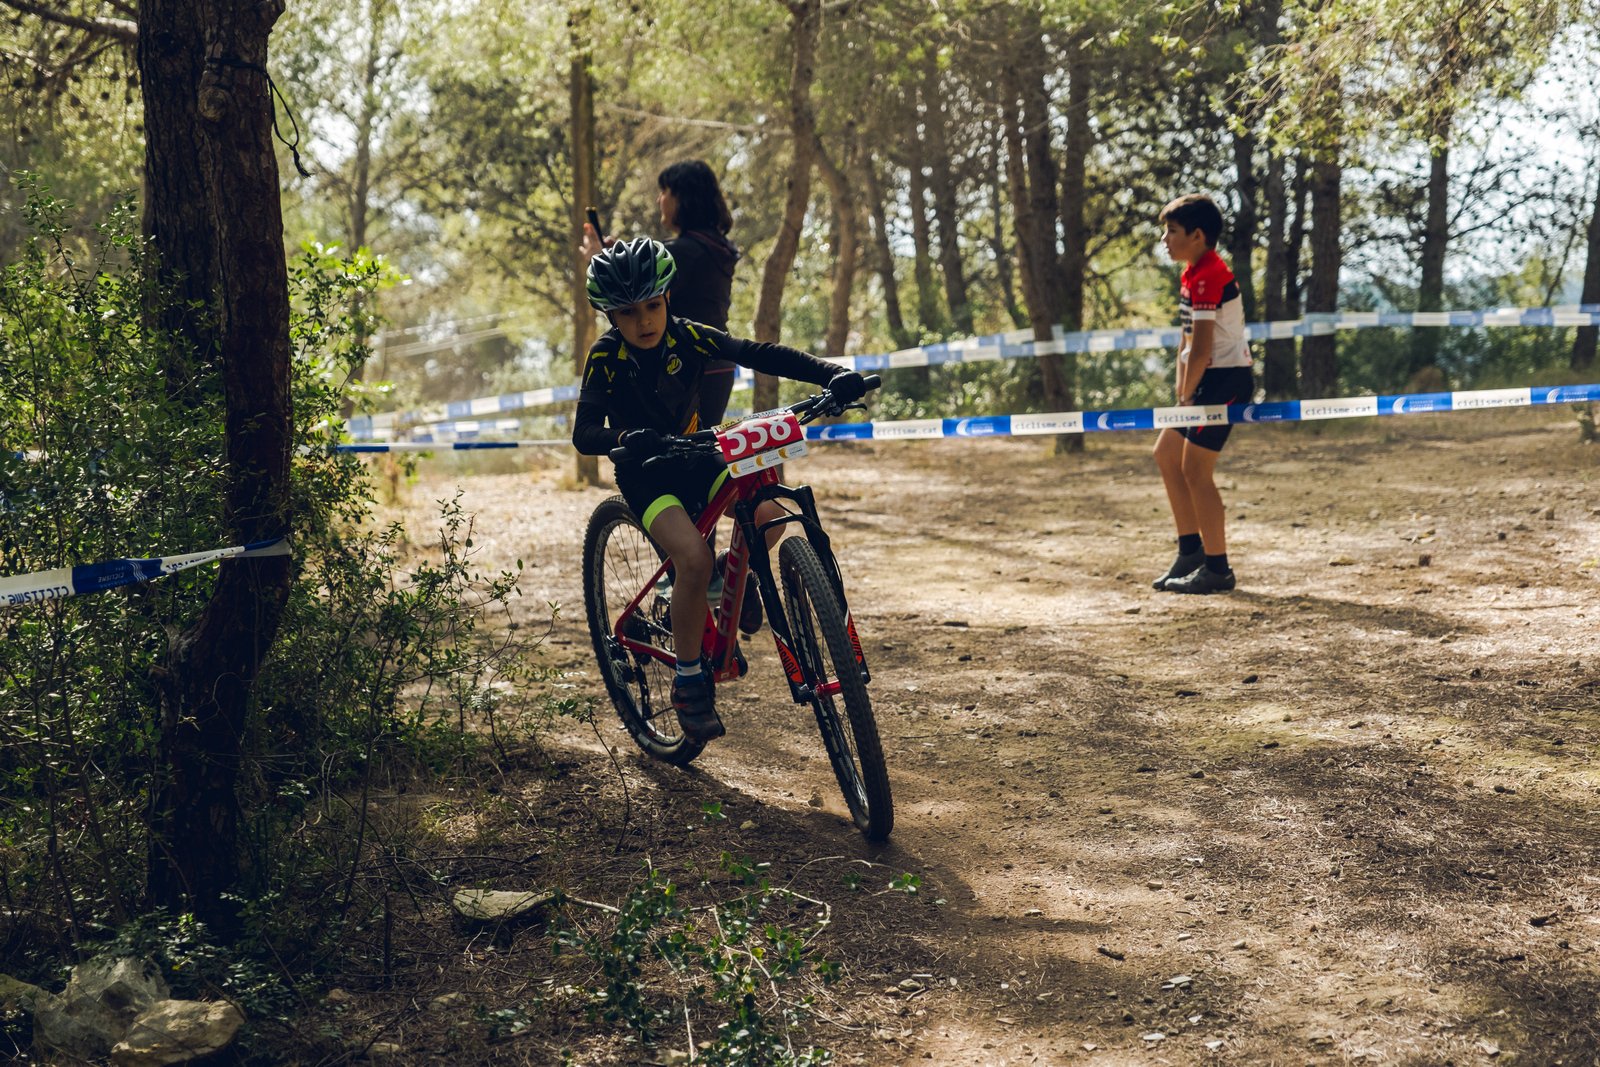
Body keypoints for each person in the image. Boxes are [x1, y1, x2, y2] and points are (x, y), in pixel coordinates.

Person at [572, 236, 865, 742]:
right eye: (628, 313)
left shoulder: (687, 334)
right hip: (646, 474)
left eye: (653, 306)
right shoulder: (605, 356)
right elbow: (584, 433)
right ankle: (689, 680)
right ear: (610, 316)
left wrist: (833, 375)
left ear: (667, 298)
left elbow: (756, 353)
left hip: (698, 456)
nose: (644, 321)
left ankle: (738, 573)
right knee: (692, 559)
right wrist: (623, 438)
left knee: (770, 515)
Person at [581, 159, 741, 425]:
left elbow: (629, 290)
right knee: (697, 444)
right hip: (717, 365)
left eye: (664, 191)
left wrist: (601, 263)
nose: (659, 200)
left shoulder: (684, 253)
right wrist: (618, 257)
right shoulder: (714, 247)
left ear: (684, 198)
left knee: (677, 447)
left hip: (688, 365)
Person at [1151, 194, 1254, 594]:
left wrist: (1189, 390)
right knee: (1166, 453)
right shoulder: (1191, 273)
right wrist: (1183, 393)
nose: (1165, 239)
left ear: (1197, 236)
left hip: (1225, 381)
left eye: (1172, 231)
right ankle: (1190, 551)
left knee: (1195, 470)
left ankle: (1217, 568)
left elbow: (1204, 346)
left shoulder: (1211, 273)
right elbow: (1187, 338)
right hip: (1202, 382)